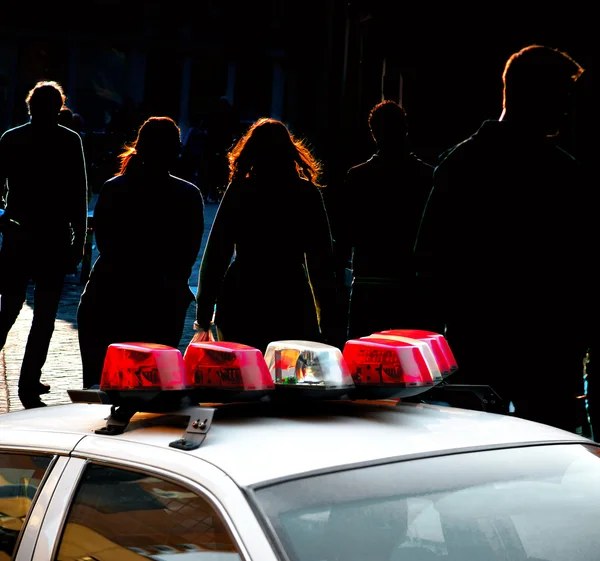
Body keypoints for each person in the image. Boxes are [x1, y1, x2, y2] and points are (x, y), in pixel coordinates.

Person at [414, 45, 595, 433]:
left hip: (477, 344)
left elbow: (429, 261)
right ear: (536, 94)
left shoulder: (462, 165)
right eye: (561, 95)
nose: (566, 107)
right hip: (549, 352)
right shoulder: (563, 174)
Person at [77, 116, 204, 388]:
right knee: (151, 390)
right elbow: (188, 255)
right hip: (161, 304)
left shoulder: (114, 188)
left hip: (108, 297)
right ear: (176, 150)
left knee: (99, 385)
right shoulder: (188, 195)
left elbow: (108, 245)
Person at [195, 117, 339, 353]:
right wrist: (328, 320)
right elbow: (320, 262)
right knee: (287, 375)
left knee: (244, 375)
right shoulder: (306, 194)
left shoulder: (241, 190)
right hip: (290, 295)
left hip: (242, 293)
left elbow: (216, 254)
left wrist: (204, 310)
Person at [0, 80, 88, 409]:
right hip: (52, 236)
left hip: (19, 234)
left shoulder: (12, 139)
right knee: (46, 313)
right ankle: (29, 379)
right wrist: (79, 240)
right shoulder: (69, 140)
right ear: (59, 107)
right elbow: (79, 193)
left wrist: (2, 219)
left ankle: (27, 377)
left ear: (29, 105)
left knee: (8, 307)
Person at [335, 100, 433, 339]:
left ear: (373, 134)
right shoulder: (427, 177)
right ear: (405, 129)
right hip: (410, 287)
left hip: (368, 285)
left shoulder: (357, 177)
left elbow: (345, 236)